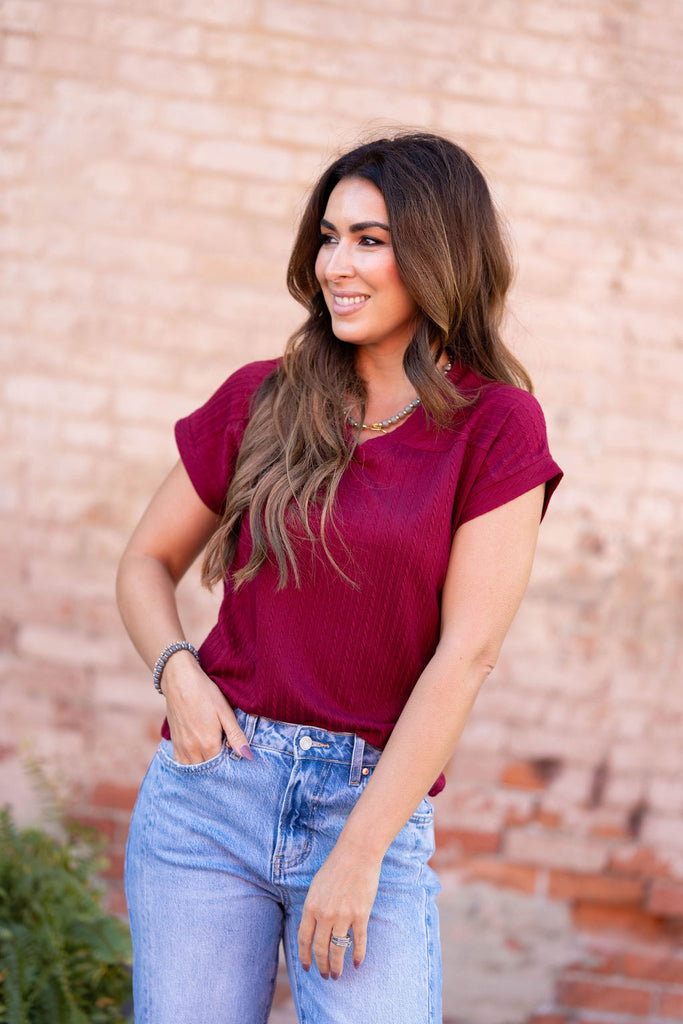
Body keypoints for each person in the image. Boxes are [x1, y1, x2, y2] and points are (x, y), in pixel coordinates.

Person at [117, 131, 562, 1024]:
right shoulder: (263, 398)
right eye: (328, 237)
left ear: (438, 254)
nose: (335, 265)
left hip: (372, 808)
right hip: (211, 797)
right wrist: (178, 673)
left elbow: (465, 656)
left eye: (369, 240)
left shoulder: (495, 428)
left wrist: (358, 852)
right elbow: (144, 562)